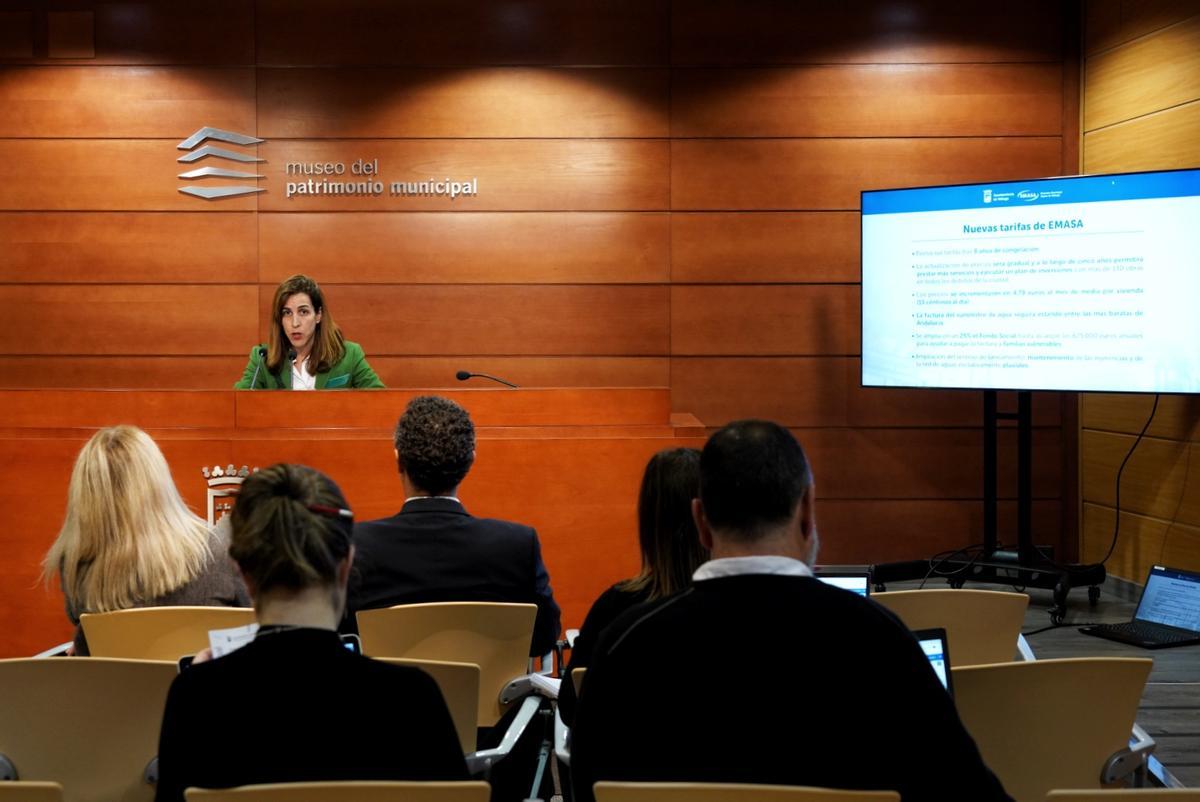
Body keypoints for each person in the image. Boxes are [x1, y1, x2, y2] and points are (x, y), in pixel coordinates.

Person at [570, 420, 1013, 802]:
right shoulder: (880, 638)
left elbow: (589, 788)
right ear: (807, 511)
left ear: (702, 521)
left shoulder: (626, 644)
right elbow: (964, 791)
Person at [154, 463, 468, 802]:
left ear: (243, 572)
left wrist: (200, 685)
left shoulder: (197, 700)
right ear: (346, 565)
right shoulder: (414, 699)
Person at [343, 395, 561, 658]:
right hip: (487, 700)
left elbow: (341, 639)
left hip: (387, 699)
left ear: (398, 460)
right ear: (470, 461)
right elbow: (543, 639)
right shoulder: (516, 545)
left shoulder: (356, 545)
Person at [42, 425, 250, 656]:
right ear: (161, 482)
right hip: (204, 689)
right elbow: (253, 624)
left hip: (116, 690)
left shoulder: (74, 565)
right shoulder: (220, 550)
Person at [558, 447, 706, 722]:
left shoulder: (616, 608)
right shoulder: (751, 609)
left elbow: (571, 707)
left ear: (647, 520)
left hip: (629, 762)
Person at [234, 274, 384, 389]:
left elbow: (380, 399)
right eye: (287, 313)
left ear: (318, 315)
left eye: (303, 312)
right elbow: (237, 404)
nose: (295, 323)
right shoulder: (262, 358)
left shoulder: (349, 355)